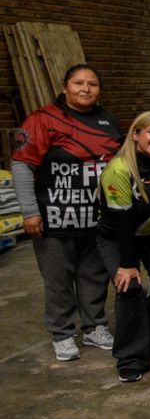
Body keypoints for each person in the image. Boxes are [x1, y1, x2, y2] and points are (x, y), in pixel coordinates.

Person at [13, 64, 120, 361]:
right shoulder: (42, 120)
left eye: (93, 84)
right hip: (54, 220)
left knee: (94, 277)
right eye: (79, 83)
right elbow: (22, 165)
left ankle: (94, 326)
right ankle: (62, 333)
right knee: (58, 279)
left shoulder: (107, 120)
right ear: (64, 87)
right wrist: (30, 212)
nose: (86, 89)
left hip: (96, 219)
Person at [97, 111, 150, 382]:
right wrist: (128, 265)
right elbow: (123, 224)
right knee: (130, 287)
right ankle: (131, 356)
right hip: (118, 237)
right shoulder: (118, 169)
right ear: (135, 135)